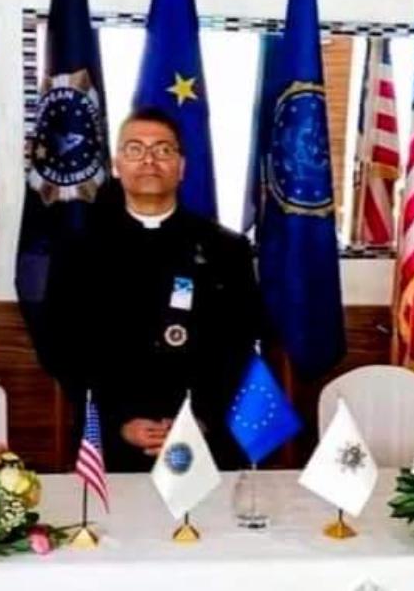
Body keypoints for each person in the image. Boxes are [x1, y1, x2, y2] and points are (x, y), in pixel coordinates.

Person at [41, 107, 261, 472]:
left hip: (207, 435)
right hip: (110, 437)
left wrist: (200, 417)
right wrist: (119, 419)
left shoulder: (226, 249)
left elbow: (239, 344)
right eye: (135, 149)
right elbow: (60, 345)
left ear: (181, 166)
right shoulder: (79, 249)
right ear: (116, 165)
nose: (149, 160)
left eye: (163, 150)